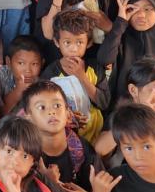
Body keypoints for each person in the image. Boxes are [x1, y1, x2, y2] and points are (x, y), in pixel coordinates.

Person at [22, 80, 104, 192]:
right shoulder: (23, 154)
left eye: (57, 105)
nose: (51, 112)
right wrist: (45, 182)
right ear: (28, 118)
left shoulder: (83, 151)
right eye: (41, 107)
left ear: (67, 112)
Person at [40, 10, 109, 144]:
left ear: (88, 43)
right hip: (63, 136)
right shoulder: (51, 73)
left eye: (79, 43)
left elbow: (104, 103)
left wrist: (81, 76)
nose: (73, 49)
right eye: (67, 42)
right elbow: (44, 107)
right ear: (56, 42)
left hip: (95, 133)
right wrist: (67, 116)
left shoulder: (94, 68)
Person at [0, 35, 43, 116]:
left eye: (34, 64)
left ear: (42, 63)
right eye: (21, 63)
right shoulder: (0, 74)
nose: (28, 70)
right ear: (8, 62)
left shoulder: (41, 84)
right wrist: (18, 90)